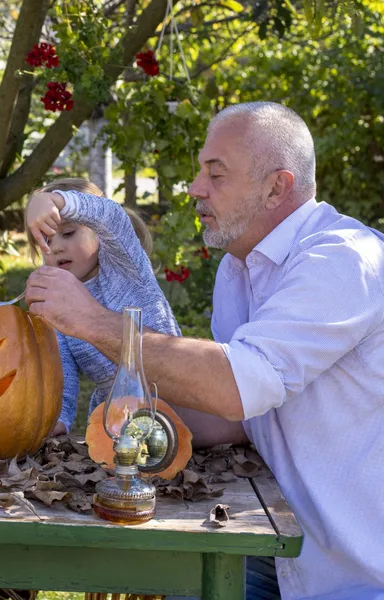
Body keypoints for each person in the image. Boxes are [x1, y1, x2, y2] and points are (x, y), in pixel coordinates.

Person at [25, 101, 384, 599]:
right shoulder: (237, 273)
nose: (195, 188)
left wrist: (92, 322)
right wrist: (126, 431)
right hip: (278, 551)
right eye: (200, 171)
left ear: (276, 186)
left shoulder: (343, 261)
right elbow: (236, 420)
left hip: (355, 576)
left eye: (216, 176)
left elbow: (241, 385)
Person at [24, 178, 179, 436]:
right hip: (118, 421)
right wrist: (57, 421)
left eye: (69, 233)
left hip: (176, 396)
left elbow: (111, 216)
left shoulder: (124, 265)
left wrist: (53, 202)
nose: (57, 246)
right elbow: (61, 374)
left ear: (97, 231)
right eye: (46, 241)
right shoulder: (56, 301)